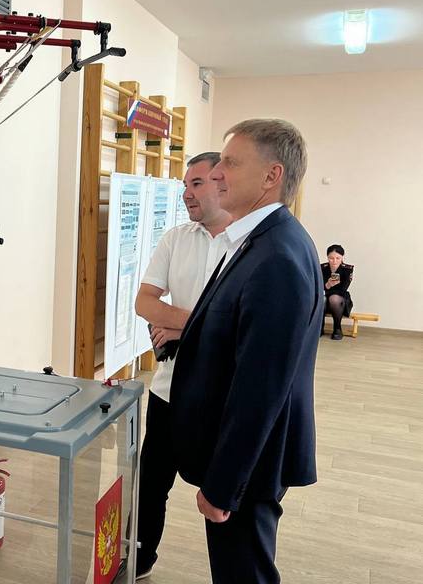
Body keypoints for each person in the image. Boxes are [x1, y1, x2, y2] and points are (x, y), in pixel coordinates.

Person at [170, 119, 322, 583]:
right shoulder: (259, 239)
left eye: (231, 164)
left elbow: (260, 388)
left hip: (249, 464)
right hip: (244, 456)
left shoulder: (276, 256)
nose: (217, 174)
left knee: (244, 574)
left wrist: (223, 486)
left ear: (271, 176)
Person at [132, 152, 231, 580]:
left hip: (221, 397)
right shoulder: (176, 238)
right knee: (151, 484)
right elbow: (144, 303)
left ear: (222, 183)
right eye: (185, 185)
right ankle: (140, 559)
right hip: (168, 390)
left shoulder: (247, 246)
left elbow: (242, 327)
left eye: (197, 184)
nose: (187, 193)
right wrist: (201, 324)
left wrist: (180, 327)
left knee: (221, 495)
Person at [321, 244, 354, 340]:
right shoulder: (322, 268)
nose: (334, 261)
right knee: (322, 298)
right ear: (327, 257)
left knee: (334, 298)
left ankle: (337, 328)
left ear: (342, 257)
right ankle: (319, 327)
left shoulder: (347, 269)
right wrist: (328, 285)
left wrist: (327, 288)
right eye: (331, 258)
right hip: (325, 298)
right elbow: (318, 287)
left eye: (337, 258)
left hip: (340, 300)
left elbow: (343, 289)